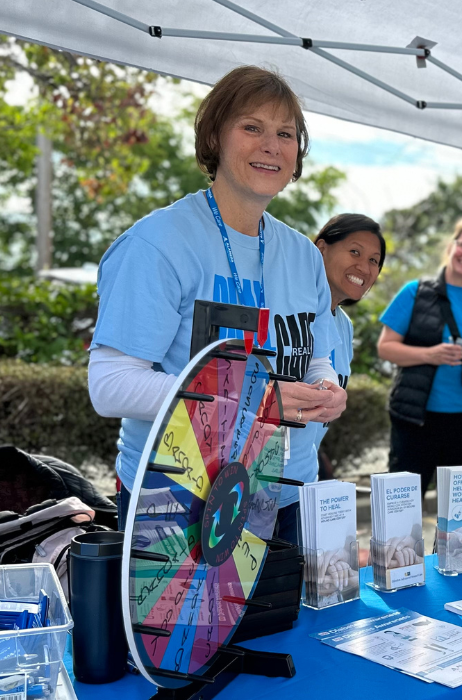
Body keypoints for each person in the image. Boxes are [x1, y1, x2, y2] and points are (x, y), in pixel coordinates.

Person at [87, 65, 347, 539]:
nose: (271, 146)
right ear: (215, 137)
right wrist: (261, 401)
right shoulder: (158, 243)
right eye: (252, 127)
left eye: (285, 134)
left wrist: (326, 388)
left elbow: (317, 356)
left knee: (288, 617)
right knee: (185, 620)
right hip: (176, 499)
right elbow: (111, 385)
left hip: (284, 495)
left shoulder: (304, 255)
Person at [377, 216, 462, 488]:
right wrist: (429, 355)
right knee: (404, 509)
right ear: (451, 247)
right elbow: (385, 347)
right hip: (415, 420)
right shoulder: (415, 292)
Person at [310, 214, 386, 480]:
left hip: (306, 476)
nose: (364, 268)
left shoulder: (344, 325)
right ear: (321, 248)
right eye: (355, 251)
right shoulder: (288, 306)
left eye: (373, 261)